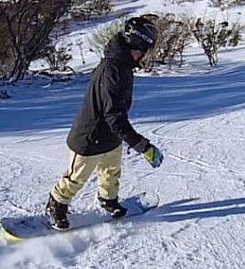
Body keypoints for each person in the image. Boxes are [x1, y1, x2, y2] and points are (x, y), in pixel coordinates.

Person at [46, 15, 164, 230]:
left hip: (110, 136)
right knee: (76, 178)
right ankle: (56, 204)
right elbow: (114, 115)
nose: (144, 55)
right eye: (144, 49)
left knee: (111, 172)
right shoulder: (113, 69)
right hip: (89, 137)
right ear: (136, 44)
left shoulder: (123, 65)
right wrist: (142, 145)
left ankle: (108, 200)